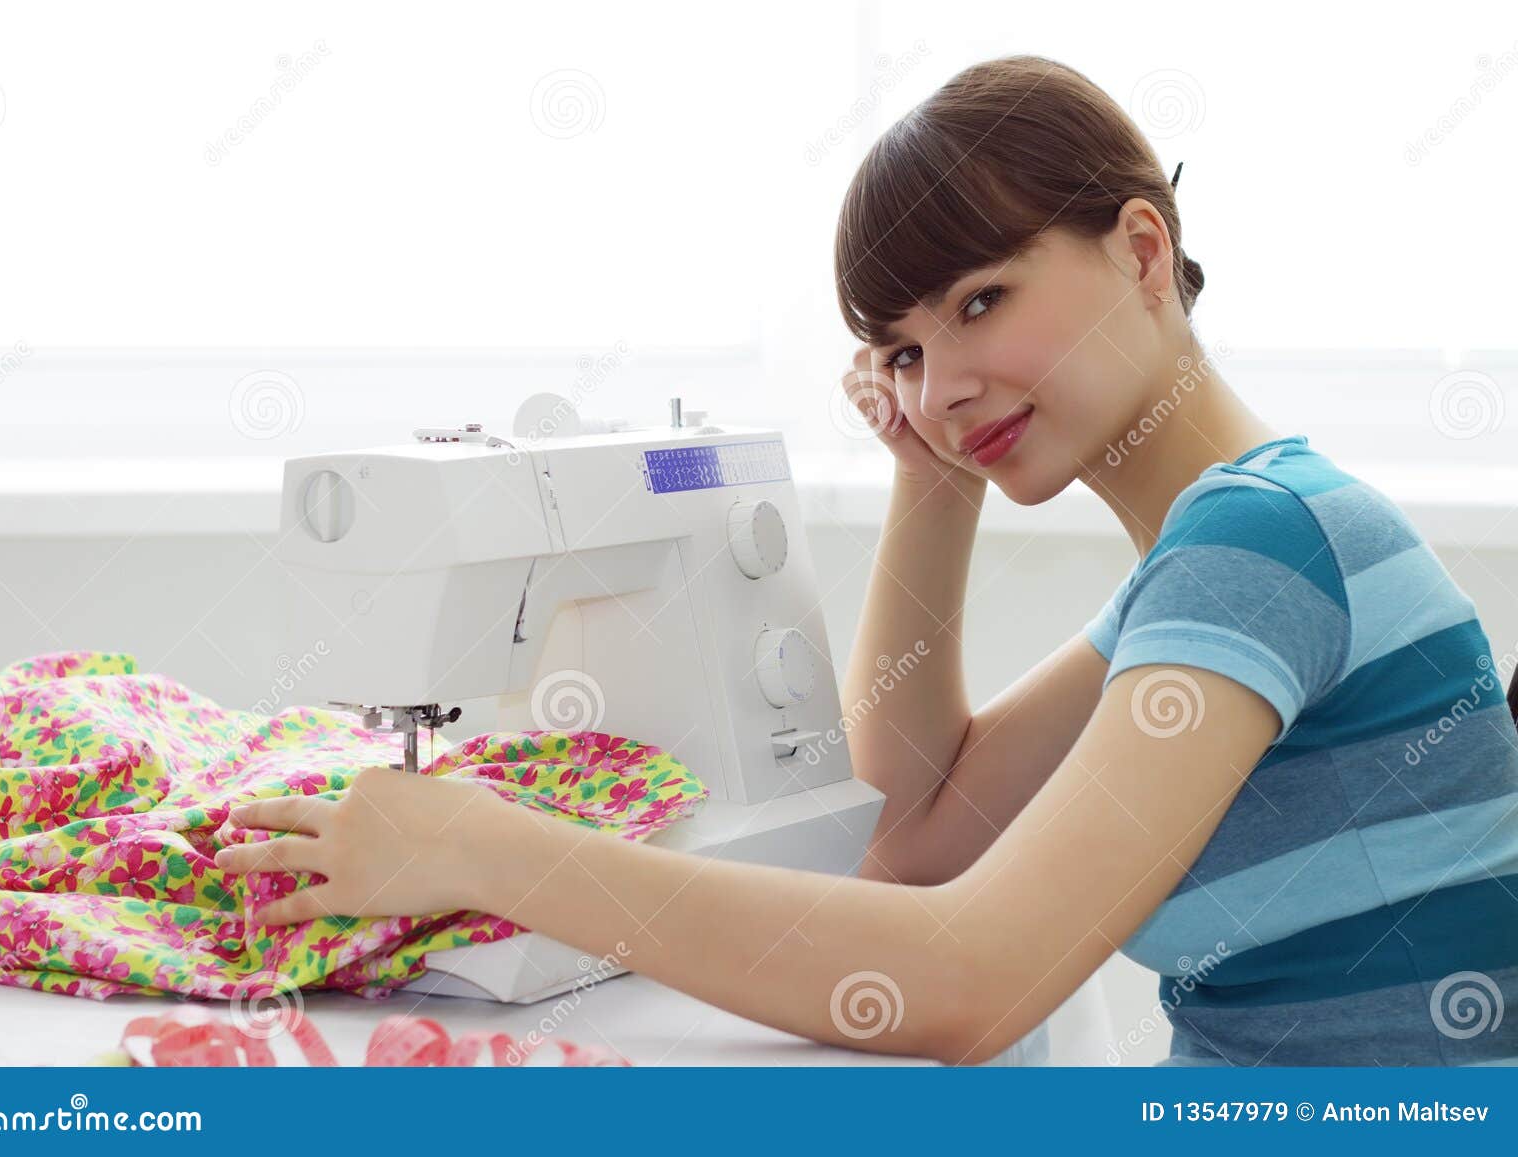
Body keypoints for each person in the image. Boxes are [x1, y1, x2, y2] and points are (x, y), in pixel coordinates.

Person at [216, 55, 1518, 1066]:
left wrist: (494, 853)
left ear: (1140, 252)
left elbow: (969, 979)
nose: (938, 386)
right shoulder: (1220, 553)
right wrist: (933, 480)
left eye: (981, 301)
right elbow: (904, 836)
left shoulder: (1260, 544)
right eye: (901, 352)